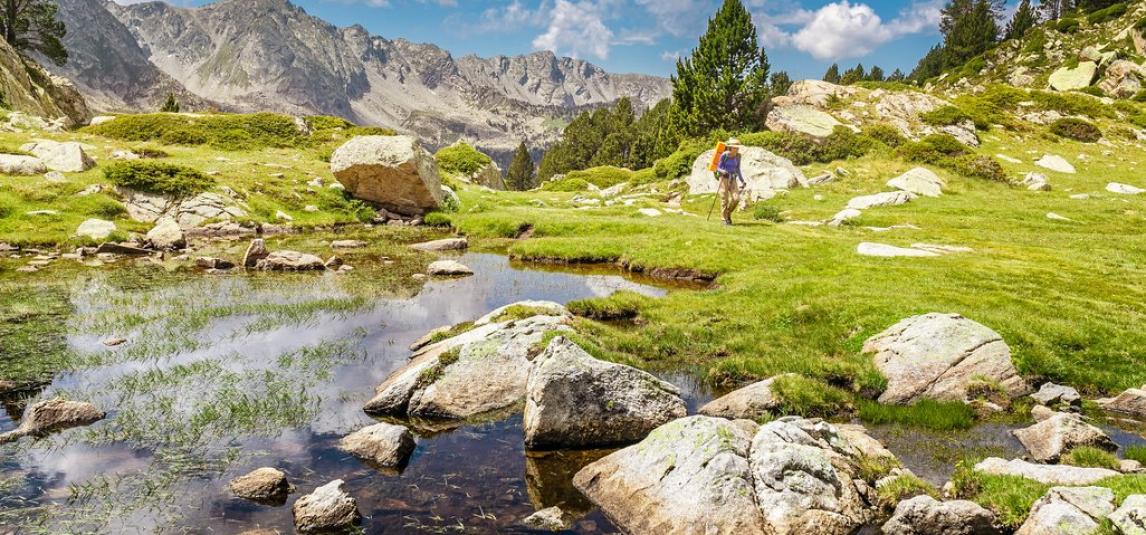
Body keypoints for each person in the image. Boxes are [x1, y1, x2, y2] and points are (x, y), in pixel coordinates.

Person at [715, 139, 746, 225]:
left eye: (737, 147)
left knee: (736, 199)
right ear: (730, 147)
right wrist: (722, 171)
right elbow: (718, 167)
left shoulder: (738, 156)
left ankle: (728, 213)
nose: (737, 149)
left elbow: (738, 169)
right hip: (724, 178)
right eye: (735, 147)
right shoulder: (724, 155)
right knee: (724, 199)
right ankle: (723, 219)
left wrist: (742, 180)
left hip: (732, 178)